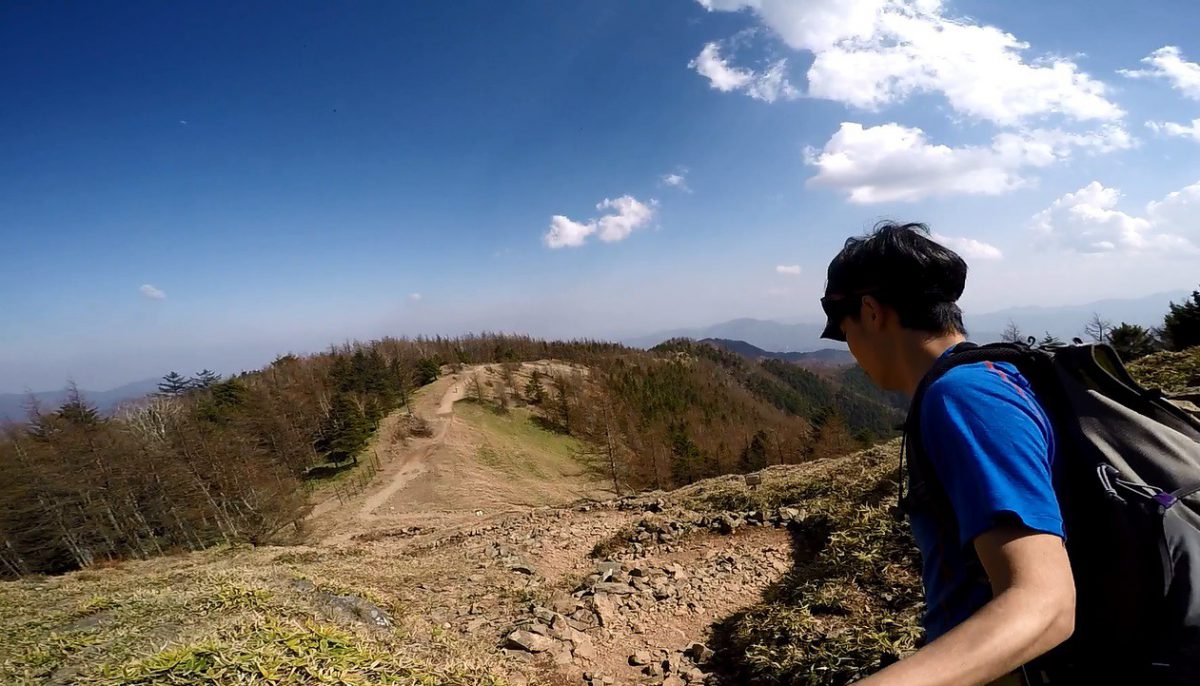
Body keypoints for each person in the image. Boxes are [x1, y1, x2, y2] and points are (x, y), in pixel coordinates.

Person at [820, 222, 1074, 686]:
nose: (851, 350)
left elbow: (1045, 604)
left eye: (845, 330)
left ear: (872, 312)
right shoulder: (992, 375)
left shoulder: (965, 396)